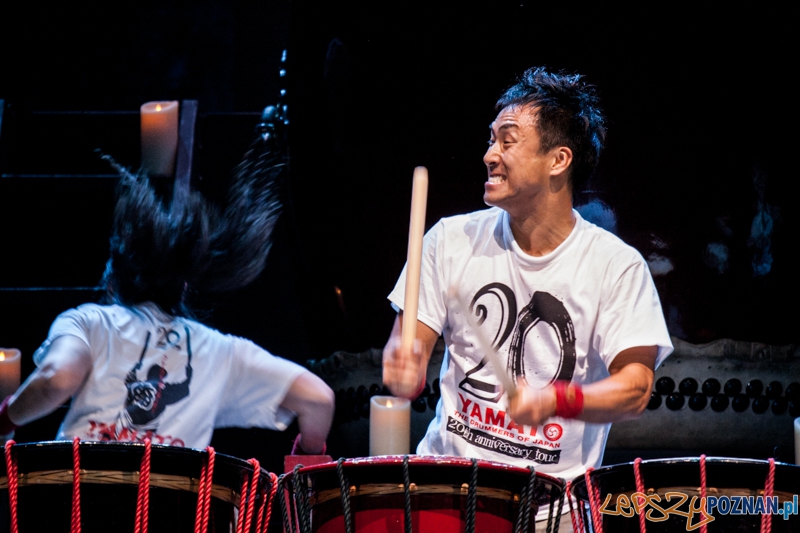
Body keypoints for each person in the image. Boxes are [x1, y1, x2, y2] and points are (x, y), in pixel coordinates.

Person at [382, 67, 672, 530]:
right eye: (491, 139)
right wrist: (403, 365)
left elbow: (635, 388)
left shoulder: (615, 265)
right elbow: (408, 355)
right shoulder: (448, 240)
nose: (489, 155)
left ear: (558, 160)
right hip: (444, 493)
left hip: (551, 511)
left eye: (507, 140)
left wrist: (560, 400)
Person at [0, 129, 334, 453]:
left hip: (79, 499)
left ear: (113, 278)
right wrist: (308, 451)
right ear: (184, 287)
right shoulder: (221, 351)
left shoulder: (90, 322)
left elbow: (57, 378)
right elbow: (319, 399)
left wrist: (5, 419)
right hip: (172, 507)